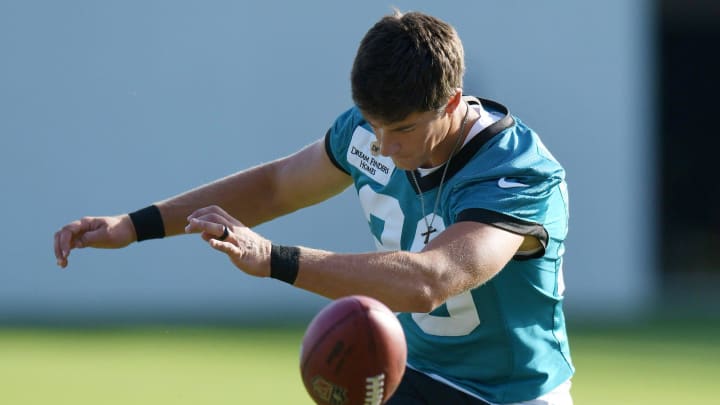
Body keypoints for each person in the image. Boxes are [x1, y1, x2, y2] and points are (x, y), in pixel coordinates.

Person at [53, 10, 574, 405]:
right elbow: (277, 185)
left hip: (509, 395)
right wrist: (134, 225)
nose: (385, 146)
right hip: (412, 375)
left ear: (453, 104)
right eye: (374, 124)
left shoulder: (517, 173)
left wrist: (274, 258)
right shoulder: (367, 133)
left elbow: (428, 282)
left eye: (404, 129)